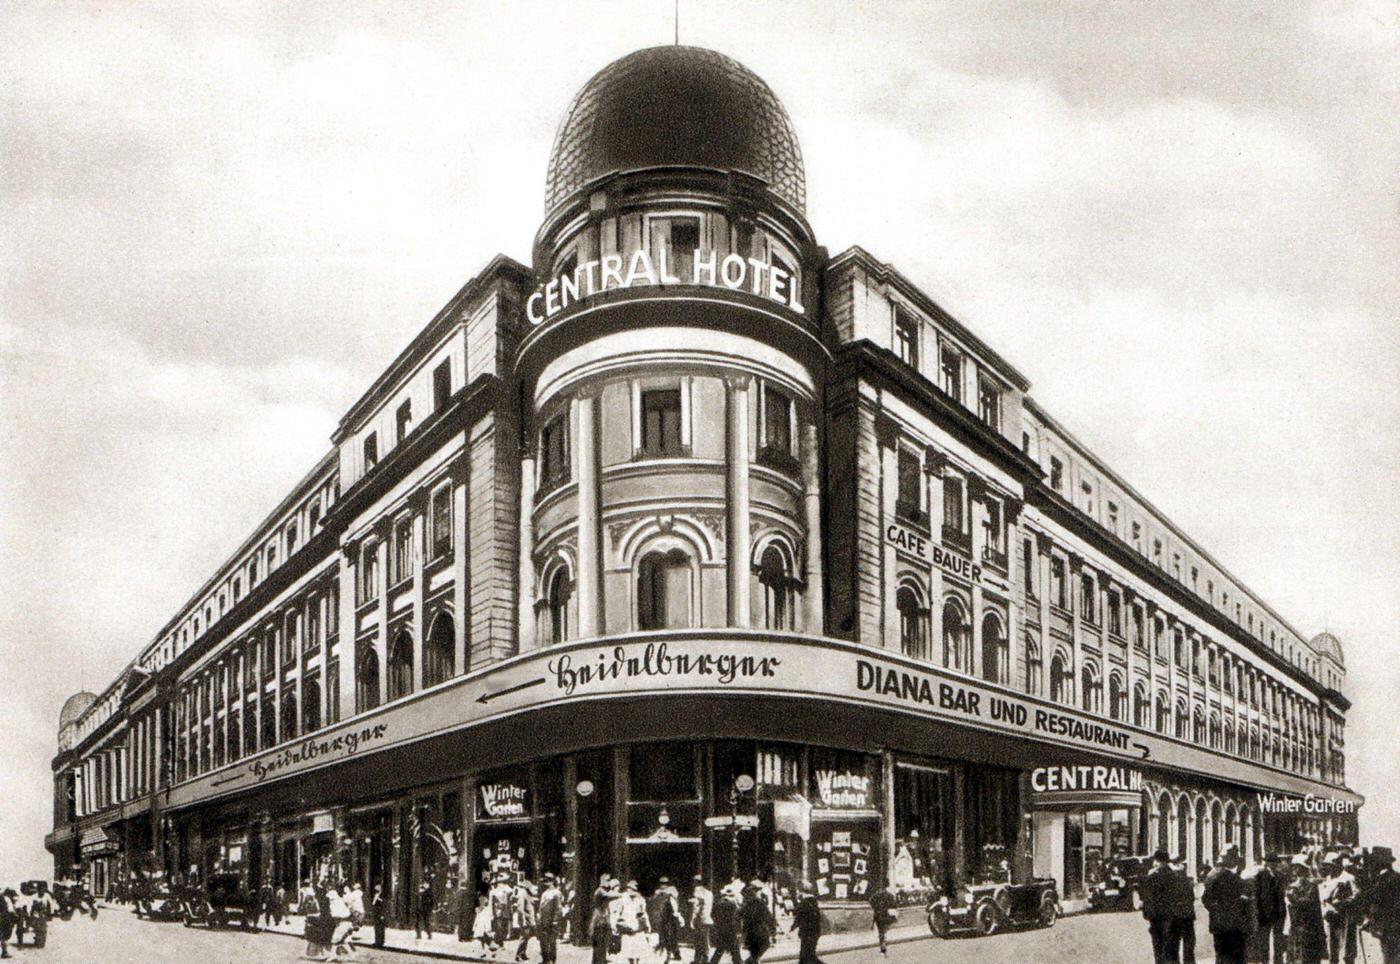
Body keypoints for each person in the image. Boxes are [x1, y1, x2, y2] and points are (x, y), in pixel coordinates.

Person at [1203, 851, 1250, 964]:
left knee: (1221, 955)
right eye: (1234, 858)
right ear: (1228, 860)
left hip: (1219, 923)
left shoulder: (1211, 876)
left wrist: (1216, 911)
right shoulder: (1234, 878)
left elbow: (1206, 899)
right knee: (1236, 955)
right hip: (1234, 923)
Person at [1362, 846, 1400, 964]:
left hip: (1389, 928)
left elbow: (1380, 904)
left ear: (1380, 863)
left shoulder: (1384, 880)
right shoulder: (1394, 877)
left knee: (1390, 958)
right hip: (1391, 927)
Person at [1287, 855, 1329, 964]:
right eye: (1293, 867)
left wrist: (1294, 899)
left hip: (1308, 928)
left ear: (1303, 868)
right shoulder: (1292, 886)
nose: (1294, 869)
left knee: (1306, 958)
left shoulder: (1311, 886)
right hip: (1296, 928)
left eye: (1297, 867)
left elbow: (1310, 905)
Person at [1319, 854, 1359, 964]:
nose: (1329, 868)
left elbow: (1356, 896)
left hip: (1345, 918)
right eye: (1327, 865)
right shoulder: (1328, 879)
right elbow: (1323, 898)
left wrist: (1342, 903)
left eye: (1330, 865)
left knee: (1347, 952)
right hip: (1330, 919)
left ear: (1338, 864)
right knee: (1332, 951)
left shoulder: (1348, 877)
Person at [1140, 850, 1178, 963]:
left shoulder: (1153, 876)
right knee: (1171, 950)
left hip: (1157, 918)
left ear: (1157, 860)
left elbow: (1147, 897)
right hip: (1172, 917)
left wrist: (1147, 915)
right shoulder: (1174, 876)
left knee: (1158, 949)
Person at [611, 880, 650, 964]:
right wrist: (614, 925)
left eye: (633, 889)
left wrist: (647, 925)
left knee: (638, 952)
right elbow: (617, 912)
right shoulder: (622, 899)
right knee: (628, 953)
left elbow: (644, 913)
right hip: (627, 928)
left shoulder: (640, 899)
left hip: (637, 928)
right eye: (629, 889)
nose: (631, 891)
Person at [1169, 856, 1199, 964]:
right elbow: (1191, 897)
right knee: (1189, 944)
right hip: (1187, 915)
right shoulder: (1187, 880)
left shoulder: (1169, 880)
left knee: (1173, 944)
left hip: (1174, 916)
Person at [649, 877, 683, 963]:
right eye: (661, 883)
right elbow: (654, 899)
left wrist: (663, 892)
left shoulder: (672, 889)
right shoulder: (658, 892)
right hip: (663, 916)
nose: (663, 885)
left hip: (672, 916)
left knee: (673, 935)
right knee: (665, 935)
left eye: (664, 883)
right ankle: (668, 954)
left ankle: (676, 953)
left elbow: (675, 895)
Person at [741, 882, 775, 964]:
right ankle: (750, 961)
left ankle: (750, 961)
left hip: (750, 933)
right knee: (763, 946)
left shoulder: (746, 905)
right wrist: (773, 930)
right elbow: (769, 917)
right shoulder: (760, 903)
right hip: (759, 931)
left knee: (754, 953)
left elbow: (741, 917)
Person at [709, 883, 743, 964]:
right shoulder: (733, 905)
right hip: (731, 928)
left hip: (721, 928)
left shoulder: (718, 904)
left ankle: (713, 961)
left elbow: (714, 915)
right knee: (734, 947)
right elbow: (738, 917)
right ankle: (738, 961)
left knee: (721, 947)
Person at [589, 875, 619, 964]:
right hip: (599, 921)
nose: (608, 882)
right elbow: (610, 896)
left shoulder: (604, 891)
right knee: (599, 944)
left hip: (604, 920)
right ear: (602, 881)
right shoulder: (600, 891)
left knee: (603, 944)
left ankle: (601, 960)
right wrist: (622, 894)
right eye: (607, 880)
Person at [791, 884, 824, 964]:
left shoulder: (804, 903)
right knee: (808, 954)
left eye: (798, 891)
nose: (797, 893)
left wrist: (792, 927)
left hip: (806, 932)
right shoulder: (814, 902)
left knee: (806, 955)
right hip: (815, 932)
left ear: (802, 892)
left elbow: (798, 916)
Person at [537, 874, 564, 964]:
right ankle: (545, 959)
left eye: (547, 881)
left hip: (552, 921)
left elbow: (558, 908)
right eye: (545, 881)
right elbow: (541, 908)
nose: (545, 883)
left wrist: (555, 920)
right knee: (543, 941)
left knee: (551, 942)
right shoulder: (544, 893)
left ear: (552, 881)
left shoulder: (556, 893)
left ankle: (551, 960)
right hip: (543, 921)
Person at [513, 876, 538, 962]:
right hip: (525, 920)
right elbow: (520, 908)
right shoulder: (522, 893)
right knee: (523, 937)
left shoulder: (528, 893)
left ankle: (523, 953)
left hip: (529, 920)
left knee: (526, 937)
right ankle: (518, 955)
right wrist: (523, 920)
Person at [867, 881, 896, 957]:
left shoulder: (875, 895)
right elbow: (893, 905)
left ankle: (882, 945)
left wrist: (876, 908)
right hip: (885, 915)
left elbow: (871, 902)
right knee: (884, 930)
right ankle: (883, 945)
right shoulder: (889, 895)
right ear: (887, 886)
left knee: (881, 931)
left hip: (877, 915)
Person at [689, 875, 713, 964]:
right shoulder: (709, 893)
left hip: (700, 919)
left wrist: (692, 920)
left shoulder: (697, 891)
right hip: (707, 919)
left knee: (698, 940)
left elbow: (696, 907)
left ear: (696, 882)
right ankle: (704, 958)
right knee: (705, 939)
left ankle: (698, 960)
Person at [326, 884, 354, 961]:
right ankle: (351, 954)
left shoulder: (335, 904)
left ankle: (333, 955)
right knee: (343, 940)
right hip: (346, 923)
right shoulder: (339, 902)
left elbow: (336, 915)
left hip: (343, 923)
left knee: (334, 939)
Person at [302, 883, 328, 962]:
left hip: (313, 918)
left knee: (314, 936)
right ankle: (320, 952)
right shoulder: (316, 899)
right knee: (317, 935)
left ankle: (318, 952)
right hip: (316, 918)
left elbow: (305, 908)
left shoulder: (311, 898)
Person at [371, 883, 387, 949]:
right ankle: (377, 941)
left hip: (380, 914)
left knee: (381, 928)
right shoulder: (375, 895)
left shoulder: (382, 896)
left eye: (377, 889)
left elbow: (384, 906)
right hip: (376, 914)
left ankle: (381, 942)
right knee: (376, 928)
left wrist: (383, 914)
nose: (376, 891)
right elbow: (373, 904)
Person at [0, 888, 14, 960]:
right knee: (4, 936)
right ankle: (4, 952)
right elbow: (10, 910)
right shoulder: (5, 898)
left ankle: (4, 952)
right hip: (3, 918)